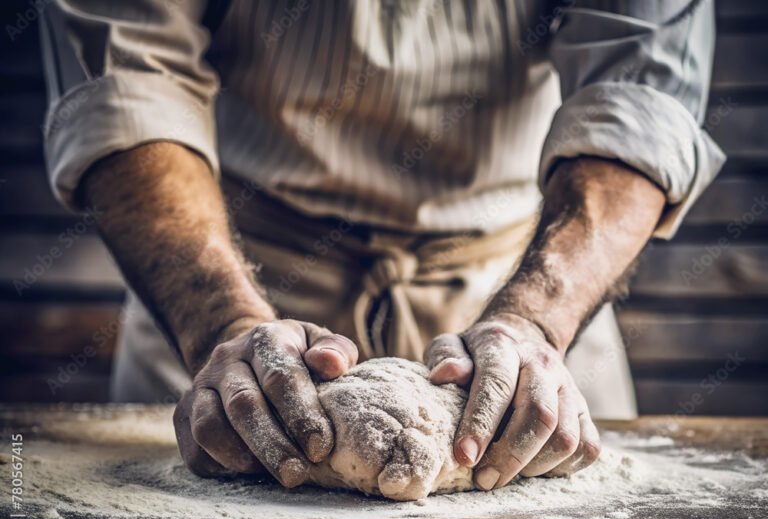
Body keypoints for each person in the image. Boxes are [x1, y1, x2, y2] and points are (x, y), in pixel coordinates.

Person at [40, 0, 724, 492]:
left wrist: (537, 319)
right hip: (228, 291)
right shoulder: (223, 334)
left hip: (530, 298)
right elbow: (126, 84)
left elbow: (639, 98)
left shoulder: (541, 321)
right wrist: (225, 325)